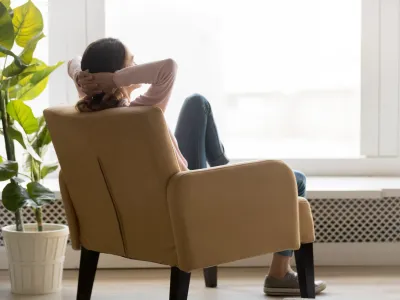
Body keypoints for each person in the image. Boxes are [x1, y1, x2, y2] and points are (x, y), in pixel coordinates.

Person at [68, 37, 326, 297]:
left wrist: (83, 77)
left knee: (197, 103)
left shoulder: (87, 113)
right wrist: (113, 79)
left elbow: (72, 63)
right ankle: (279, 274)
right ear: (115, 75)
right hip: (188, 198)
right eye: (131, 63)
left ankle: (225, 169)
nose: (136, 67)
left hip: (170, 190)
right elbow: (168, 67)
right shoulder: (141, 112)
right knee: (296, 180)